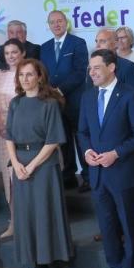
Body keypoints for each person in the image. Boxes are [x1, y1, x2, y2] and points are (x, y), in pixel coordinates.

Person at [79, 50, 134, 268]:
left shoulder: (129, 94)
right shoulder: (88, 97)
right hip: (98, 174)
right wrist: (87, 151)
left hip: (122, 171)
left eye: (97, 67)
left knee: (128, 227)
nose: (92, 72)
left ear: (111, 68)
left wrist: (116, 153)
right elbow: (83, 132)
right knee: (107, 228)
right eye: (90, 69)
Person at [5, 58, 73, 268]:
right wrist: (15, 164)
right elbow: (9, 137)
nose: (25, 79)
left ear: (39, 77)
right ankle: (38, 265)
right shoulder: (15, 103)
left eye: (29, 74)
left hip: (43, 164)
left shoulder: (50, 103)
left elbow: (53, 140)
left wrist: (32, 166)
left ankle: (54, 265)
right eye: (21, 75)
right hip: (20, 164)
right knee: (28, 216)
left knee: (46, 213)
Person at [39, 10, 90, 191]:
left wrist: (59, 90)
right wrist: (48, 92)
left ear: (66, 23)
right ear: (49, 25)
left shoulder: (78, 43)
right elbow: (42, 74)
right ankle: (68, 175)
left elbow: (80, 72)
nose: (56, 25)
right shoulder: (43, 48)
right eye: (52, 22)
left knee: (81, 138)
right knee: (63, 139)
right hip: (53, 103)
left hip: (75, 101)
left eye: (59, 21)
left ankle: (88, 176)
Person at [0, 38, 25, 238]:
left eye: (14, 52)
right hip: (3, 133)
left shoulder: (30, 73)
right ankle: (14, 223)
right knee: (8, 179)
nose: (10, 56)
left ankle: (30, 223)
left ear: (22, 54)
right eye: (7, 53)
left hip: (26, 133)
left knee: (25, 176)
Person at [94, 27, 134, 93]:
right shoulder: (92, 68)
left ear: (115, 44)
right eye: (96, 41)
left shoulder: (128, 67)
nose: (97, 46)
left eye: (102, 41)